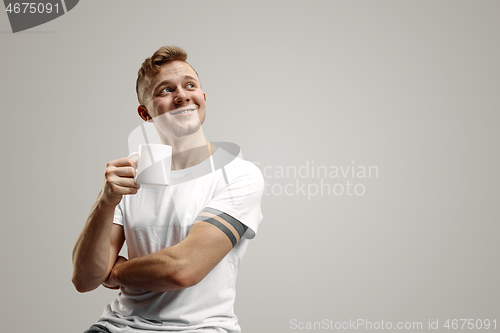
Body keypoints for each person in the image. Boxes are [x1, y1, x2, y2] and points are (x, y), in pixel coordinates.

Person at [72, 46, 265, 333]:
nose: (182, 95)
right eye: (165, 90)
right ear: (145, 113)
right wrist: (105, 202)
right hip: (115, 326)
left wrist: (115, 272)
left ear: (202, 98)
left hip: (200, 329)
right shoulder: (130, 175)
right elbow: (85, 279)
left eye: (190, 85)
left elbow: (183, 269)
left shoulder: (239, 174)